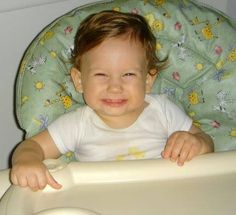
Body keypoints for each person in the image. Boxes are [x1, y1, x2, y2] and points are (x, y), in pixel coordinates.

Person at [10, 10, 214, 191]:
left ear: (148, 80)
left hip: (166, 197)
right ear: (79, 80)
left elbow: (206, 143)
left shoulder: (162, 110)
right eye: (101, 75)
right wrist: (27, 161)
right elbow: (32, 147)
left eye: (128, 75)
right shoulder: (78, 124)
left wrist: (196, 142)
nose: (114, 87)